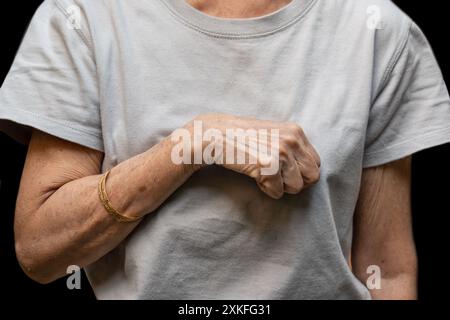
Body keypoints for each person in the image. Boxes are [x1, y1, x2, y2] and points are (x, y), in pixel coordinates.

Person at [0, 0, 449, 300]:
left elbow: (386, 271)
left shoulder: (376, 30)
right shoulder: (84, 16)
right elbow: (41, 251)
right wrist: (195, 144)